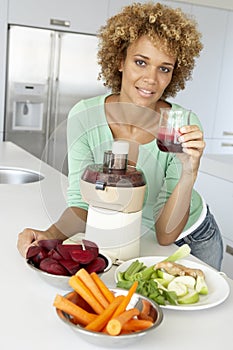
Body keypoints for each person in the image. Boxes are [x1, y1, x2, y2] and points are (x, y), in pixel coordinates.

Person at [17, 2, 223, 270]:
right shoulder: (85, 115)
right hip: (132, 236)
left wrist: (189, 171)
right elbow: (82, 204)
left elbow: (165, 235)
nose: (151, 79)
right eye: (141, 62)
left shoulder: (181, 125)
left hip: (192, 237)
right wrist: (49, 236)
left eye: (164, 68)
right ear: (119, 61)